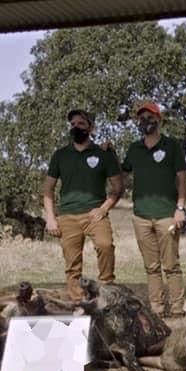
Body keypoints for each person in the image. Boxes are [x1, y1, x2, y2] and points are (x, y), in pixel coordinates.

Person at [42, 109, 124, 303]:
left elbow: (118, 187)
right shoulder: (60, 155)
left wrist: (104, 208)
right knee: (72, 264)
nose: (75, 127)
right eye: (72, 124)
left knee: (105, 246)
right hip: (67, 216)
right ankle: (79, 304)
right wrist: (51, 218)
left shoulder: (103, 154)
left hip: (95, 214)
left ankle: (107, 291)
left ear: (91, 127)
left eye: (80, 124)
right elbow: (47, 190)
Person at [119, 102, 186, 317]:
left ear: (159, 120)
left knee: (171, 266)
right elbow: (122, 171)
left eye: (150, 117)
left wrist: (180, 208)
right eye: (141, 118)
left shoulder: (172, 146)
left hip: (167, 215)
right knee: (151, 268)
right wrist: (108, 152)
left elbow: (182, 179)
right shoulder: (134, 149)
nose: (145, 122)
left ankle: (177, 311)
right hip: (141, 217)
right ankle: (157, 311)